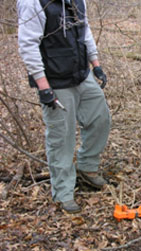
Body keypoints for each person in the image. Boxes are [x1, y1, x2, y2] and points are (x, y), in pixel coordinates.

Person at [17, 0, 111, 213]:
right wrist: (43, 87)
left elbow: (84, 32)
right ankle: (63, 192)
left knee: (100, 118)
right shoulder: (33, 3)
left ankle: (87, 167)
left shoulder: (78, 0)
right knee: (62, 136)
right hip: (54, 80)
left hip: (81, 73)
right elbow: (28, 44)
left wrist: (95, 65)